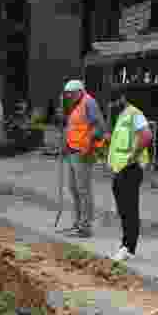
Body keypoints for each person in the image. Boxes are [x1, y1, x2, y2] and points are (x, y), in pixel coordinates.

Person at [105, 89, 153, 262]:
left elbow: (146, 136)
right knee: (123, 208)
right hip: (120, 168)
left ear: (122, 99)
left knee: (129, 209)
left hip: (130, 168)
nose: (112, 106)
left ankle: (128, 247)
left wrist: (134, 155)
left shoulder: (135, 114)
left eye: (114, 102)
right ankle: (126, 245)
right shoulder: (123, 116)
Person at [60, 79, 106, 238]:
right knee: (73, 189)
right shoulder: (75, 104)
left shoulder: (89, 103)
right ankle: (78, 222)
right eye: (68, 94)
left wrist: (89, 145)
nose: (69, 97)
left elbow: (99, 127)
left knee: (83, 190)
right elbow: (74, 127)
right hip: (73, 151)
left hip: (83, 152)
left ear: (80, 91)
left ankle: (85, 226)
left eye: (71, 94)